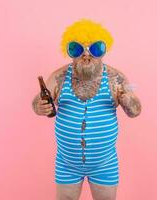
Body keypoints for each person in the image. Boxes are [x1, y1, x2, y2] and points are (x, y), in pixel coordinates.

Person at [31, 19, 142, 200]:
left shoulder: (117, 78)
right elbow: (38, 101)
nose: (86, 55)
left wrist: (128, 99)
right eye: (77, 49)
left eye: (96, 48)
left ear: (104, 51)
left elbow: (136, 110)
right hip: (67, 164)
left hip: (104, 165)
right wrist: (39, 105)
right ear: (69, 52)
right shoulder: (58, 77)